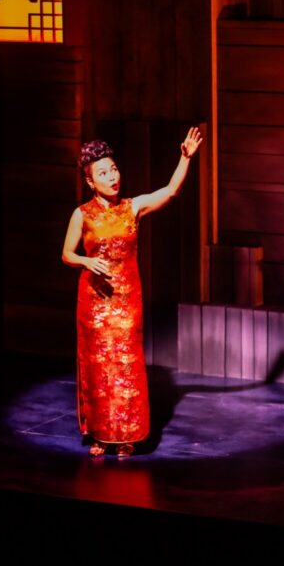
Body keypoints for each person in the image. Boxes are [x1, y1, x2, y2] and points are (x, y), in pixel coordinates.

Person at [62, 128, 203, 458]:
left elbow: (169, 191)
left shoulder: (132, 207)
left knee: (126, 365)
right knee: (98, 367)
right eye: (103, 173)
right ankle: (100, 434)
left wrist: (185, 158)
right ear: (90, 181)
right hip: (95, 302)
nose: (112, 177)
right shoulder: (82, 214)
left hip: (126, 302)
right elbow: (66, 254)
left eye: (113, 169)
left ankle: (126, 434)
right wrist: (86, 260)